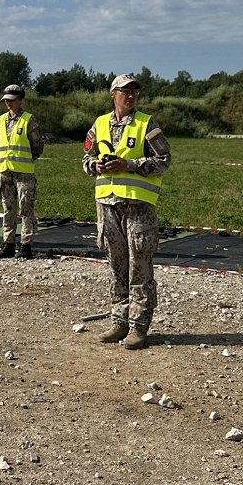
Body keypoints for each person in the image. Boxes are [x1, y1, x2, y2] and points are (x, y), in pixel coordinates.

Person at [82, 74, 171, 350]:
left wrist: (130, 165)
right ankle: (119, 322)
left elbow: (164, 160)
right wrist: (95, 165)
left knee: (139, 267)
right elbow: (85, 159)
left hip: (138, 207)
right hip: (107, 205)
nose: (130, 96)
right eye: (124, 91)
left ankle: (139, 327)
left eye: (134, 92)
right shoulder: (99, 124)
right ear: (113, 94)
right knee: (117, 266)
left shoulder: (147, 123)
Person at [0, 84, 44, 259]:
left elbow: (37, 145)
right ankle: (8, 244)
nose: (8, 103)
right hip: (5, 172)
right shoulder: (1, 120)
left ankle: (26, 245)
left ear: (20, 100)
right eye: (6, 100)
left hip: (24, 173)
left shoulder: (29, 120)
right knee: (8, 209)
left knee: (26, 209)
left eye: (12, 100)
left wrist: (26, 160)